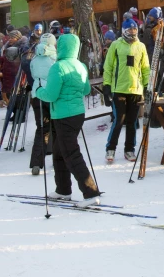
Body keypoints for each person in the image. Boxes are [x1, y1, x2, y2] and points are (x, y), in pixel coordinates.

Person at [34, 33, 102, 207]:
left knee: (71, 154)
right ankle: (63, 189)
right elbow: (86, 90)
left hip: (64, 115)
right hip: (76, 114)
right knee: (59, 152)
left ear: (62, 47)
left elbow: (50, 95)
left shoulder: (58, 67)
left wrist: (38, 91)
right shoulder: (80, 65)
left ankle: (90, 192)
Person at [102, 19, 150, 162]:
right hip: (119, 89)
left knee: (132, 122)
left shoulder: (141, 46)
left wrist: (147, 86)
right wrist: (107, 86)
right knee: (119, 120)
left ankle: (129, 149)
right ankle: (110, 148)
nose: (132, 32)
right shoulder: (116, 45)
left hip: (135, 90)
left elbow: (145, 68)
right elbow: (108, 66)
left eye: (134, 30)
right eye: (129, 30)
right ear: (124, 31)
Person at [28, 33, 57, 175]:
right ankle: (59, 161)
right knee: (56, 127)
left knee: (41, 128)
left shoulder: (34, 57)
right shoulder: (55, 57)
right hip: (51, 93)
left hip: (37, 93)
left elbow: (33, 74)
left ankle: (36, 163)